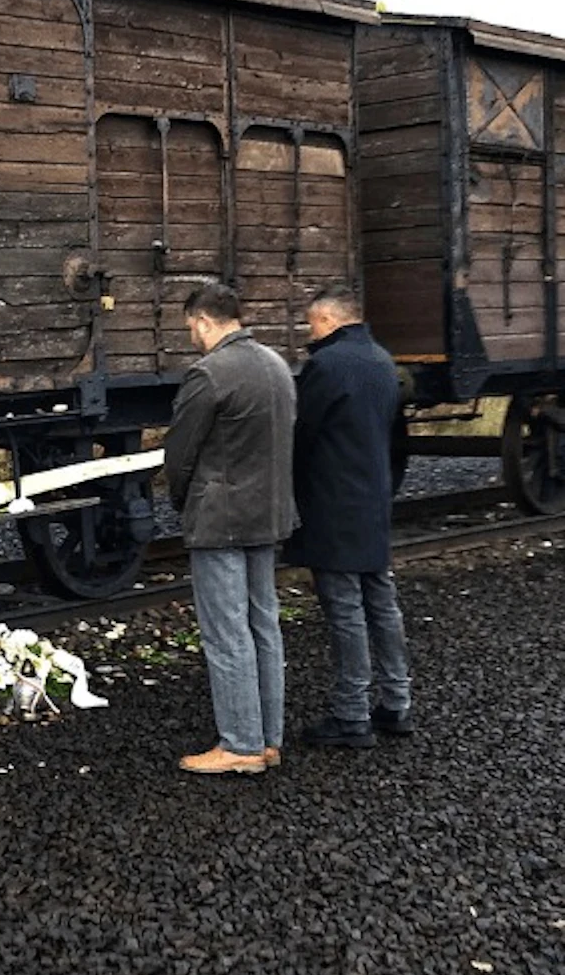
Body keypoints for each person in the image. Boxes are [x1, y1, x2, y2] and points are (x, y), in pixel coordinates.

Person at [164, 281, 297, 775]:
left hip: (219, 520)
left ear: (202, 321)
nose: (192, 338)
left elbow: (179, 456)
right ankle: (268, 739)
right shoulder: (277, 366)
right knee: (264, 623)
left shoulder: (209, 375)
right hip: (269, 515)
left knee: (226, 632)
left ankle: (240, 743)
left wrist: (183, 501)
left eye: (190, 329)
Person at [286, 284, 413, 746]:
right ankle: (397, 703)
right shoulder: (382, 360)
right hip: (373, 500)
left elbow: (305, 435)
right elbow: (399, 437)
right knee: (381, 603)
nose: (309, 331)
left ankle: (351, 714)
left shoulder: (325, 366)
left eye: (311, 322)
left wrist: (293, 495)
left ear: (327, 320)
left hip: (333, 506)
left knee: (344, 612)